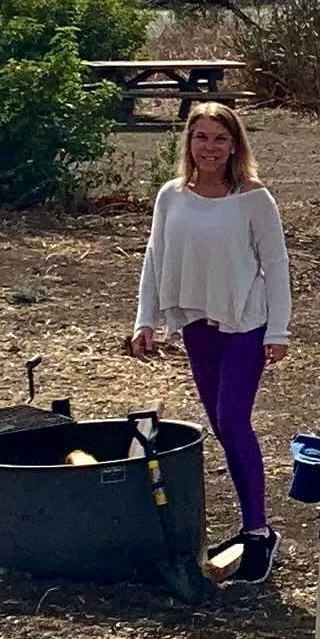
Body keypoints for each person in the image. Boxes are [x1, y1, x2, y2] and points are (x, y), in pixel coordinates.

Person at [129, 101, 293, 575]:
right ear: (189, 143)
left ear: (235, 144)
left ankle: (259, 533)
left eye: (220, 138)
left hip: (246, 321)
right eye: (201, 137)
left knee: (232, 419)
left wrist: (278, 329)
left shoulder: (253, 197)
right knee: (222, 428)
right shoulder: (171, 195)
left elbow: (276, 265)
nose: (210, 148)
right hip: (197, 321)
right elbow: (155, 258)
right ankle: (252, 526)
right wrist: (147, 319)